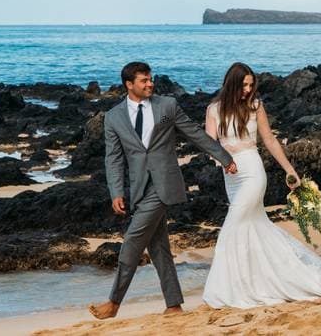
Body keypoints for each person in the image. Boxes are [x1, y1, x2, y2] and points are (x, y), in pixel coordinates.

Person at [202, 62, 321, 308]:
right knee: (251, 227)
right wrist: (222, 160)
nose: (248, 89)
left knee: (232, 226)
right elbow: (209, 143)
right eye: (244, 84)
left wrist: (290, 169)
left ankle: (225, 289)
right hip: (231, 176)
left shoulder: (255, 106)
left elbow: (269, 140)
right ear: (232, 82)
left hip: (253, 172)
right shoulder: (214, 109)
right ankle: (253, 283)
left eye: (251, 84)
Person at [88, 61, 237, 320]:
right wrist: (116, 191)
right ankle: (174, 305)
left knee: (132, 242)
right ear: (129, 85)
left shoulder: (166, 107)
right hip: (138, 189)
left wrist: (224, 157)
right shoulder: (113, 117)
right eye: (144, 81)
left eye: (150, 79)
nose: (150, 84)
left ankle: (113, 303)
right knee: (159, 248)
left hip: (164, 184)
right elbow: (113, 159)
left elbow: (194, 134)